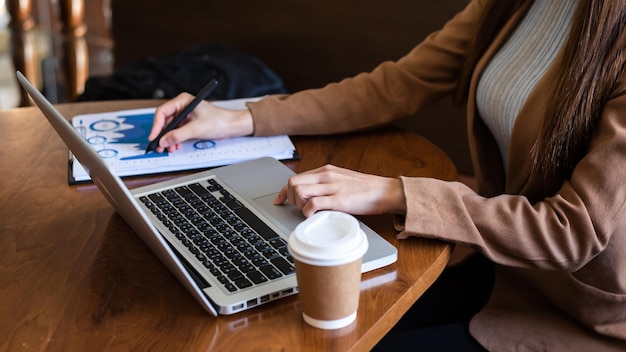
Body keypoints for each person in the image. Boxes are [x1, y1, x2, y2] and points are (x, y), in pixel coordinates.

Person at [149, 0, 626, 350]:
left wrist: (393, 193)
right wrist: (241, 118)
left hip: (573, 310)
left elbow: (573, 231)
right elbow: (395, 85)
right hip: (491, 257)